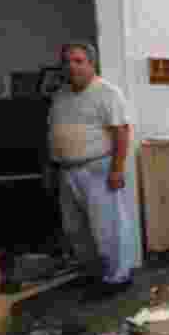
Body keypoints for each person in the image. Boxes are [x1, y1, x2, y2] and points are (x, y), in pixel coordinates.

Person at [48, 42, 136, 300]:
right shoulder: (61, 95)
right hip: (67, 170)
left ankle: (118, 277)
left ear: (91, 64)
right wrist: (51, 167)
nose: (71, 66)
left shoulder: (107, 92)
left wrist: (117, 170)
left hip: (98, 169)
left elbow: (121, 132)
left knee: (107, 227)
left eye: (78, 61)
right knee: (76, 229)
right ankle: (94, 273)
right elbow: (52, 132)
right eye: (67, 61)